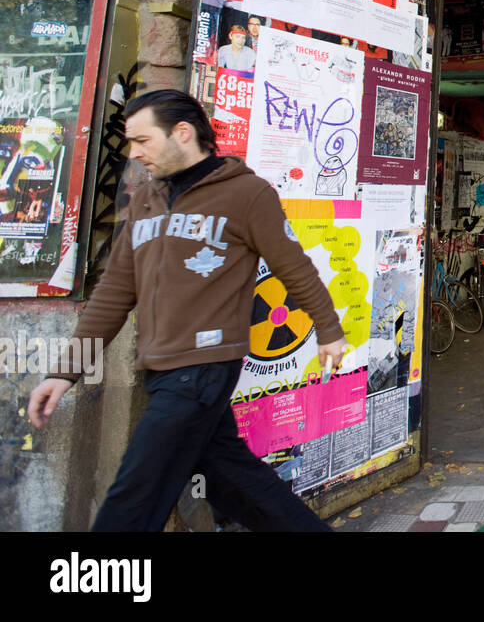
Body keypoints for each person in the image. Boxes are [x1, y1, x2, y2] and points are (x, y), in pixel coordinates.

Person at [28, 90, 347, 531]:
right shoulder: (145, 199)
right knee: (236, 483)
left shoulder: (246, 193)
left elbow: (293, 266)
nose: (134, 154)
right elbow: (115, 292)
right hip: (162, 370)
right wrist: (65, 373)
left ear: (182, 133)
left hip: (202, 368)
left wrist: (328, 329)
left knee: (134, 498)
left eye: (143, 140)